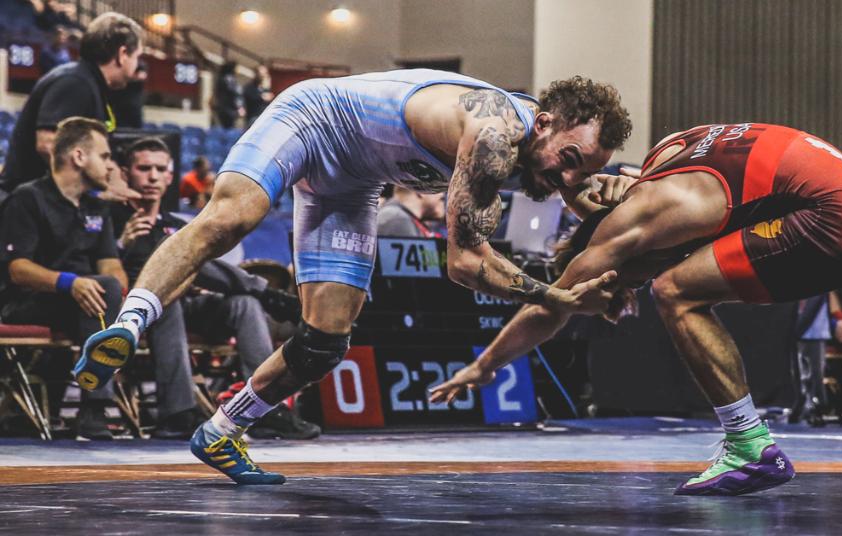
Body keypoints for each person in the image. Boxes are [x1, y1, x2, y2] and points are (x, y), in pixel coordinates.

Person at [78, 70, 631, 483]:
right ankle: (128, 324)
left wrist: (613, 201)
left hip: (353, 185)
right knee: (230, 217)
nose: (569, 178)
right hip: (314, 119)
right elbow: (464, 263)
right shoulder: (494, 133)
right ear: (544, 123)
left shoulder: (543, 154)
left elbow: (580, 198)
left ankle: (221, 432)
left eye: (584, 170)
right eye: (570, 160)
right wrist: (555, 296)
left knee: (324, 341)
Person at [431, 122, 842, 500]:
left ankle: (748, 444)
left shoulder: (635, 219)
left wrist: (485, 365)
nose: (624, 295)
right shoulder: (668, 155)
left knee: (674, 291)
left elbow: (555, 304)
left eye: (619, 285)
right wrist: (587, 195)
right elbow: (640, 194)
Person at [113, 137, 316, 439]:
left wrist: (192, 282)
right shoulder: (112, 219)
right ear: (125, 173)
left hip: (189, 304)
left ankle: (263, 408)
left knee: (244, 303)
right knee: (171, 284)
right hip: (138, 314)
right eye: (144, 169)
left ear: (170, 177)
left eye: (160, 169)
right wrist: (120, 245)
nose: (153, 177)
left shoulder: (178, 225)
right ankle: (179, 413)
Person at [0, 117, 126, 439]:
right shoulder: (27, 198)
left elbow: (111, 266)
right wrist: (71, 283)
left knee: (109, 289)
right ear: (79, 157)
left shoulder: (97, 207)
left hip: (86, 302)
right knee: (102, 292)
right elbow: (18, 269)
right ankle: (96, 408)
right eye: (105, 156)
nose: (110, 166)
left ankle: (95, 407)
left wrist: (115, 290)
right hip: (26, 302)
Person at [0, 12, 142, 200]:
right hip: (25, 207)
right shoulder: (75, 82)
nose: (137, 65)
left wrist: (113, 179)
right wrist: (96, 188)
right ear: (123, 54)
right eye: (137, 56)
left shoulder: (89, 83)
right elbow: (48, 143)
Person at [377, 186, 445, 237]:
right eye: (439, 187)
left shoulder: (402, 217)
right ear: (421, 190)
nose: (443, 194)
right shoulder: (398, 219)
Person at [212, 61, 244, 129]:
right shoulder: (228, 79)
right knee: (229, 129)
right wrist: (239, 107)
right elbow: (234, 94)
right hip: (229, 110)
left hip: (225, 109)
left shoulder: (223, 78)